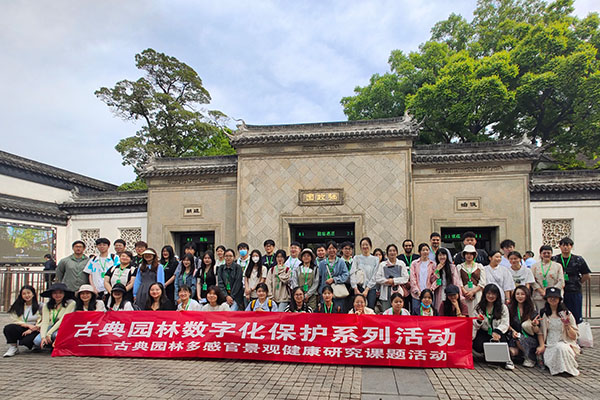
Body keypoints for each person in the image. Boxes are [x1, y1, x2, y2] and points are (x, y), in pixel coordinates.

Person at [537, 287, 580, 376]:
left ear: (559, 299)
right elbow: (540, 332)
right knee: (557, 349)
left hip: (565, 342)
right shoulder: (544, 313)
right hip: (550, 345)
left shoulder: (566, 314)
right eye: (550, 297)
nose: (553, 299)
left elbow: (574, 336)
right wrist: (542, 345)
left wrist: (567, 325)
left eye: (555, 297)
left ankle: (567, 370)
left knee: (561, 348)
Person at [472, 284, 513, 370]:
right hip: (484, 332)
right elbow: (475, 324)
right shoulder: (479, 307)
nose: (491, 296)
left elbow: (505, 323)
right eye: (488, 293)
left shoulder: (503, 307)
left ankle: (507, 360)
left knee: (501, 342)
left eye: (493, 294)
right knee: (478, 344)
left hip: (498, 332)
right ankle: (489, 356)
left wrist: (498, 331)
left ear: (497, 295)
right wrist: (479, 321)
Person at [551, 237, 591, 324]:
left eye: (568, 245)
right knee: (560, 314)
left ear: (571, 246)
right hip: (559, 291)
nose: (565, 247)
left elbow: (586, 275)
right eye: (563, 245)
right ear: (559, 246)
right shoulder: (554, 259)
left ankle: (575, 331)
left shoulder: (578, 259)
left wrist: (578, 282)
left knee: (575, 315)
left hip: (574, 291)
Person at [33, 283, 76, 349]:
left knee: (56, 336)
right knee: (37, 341)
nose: (58, 295)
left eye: (60, 293)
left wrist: (49, 333)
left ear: (64, 293)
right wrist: (43, 337)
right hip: (51, 326)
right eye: (55, 293)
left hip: (63, 327)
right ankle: (49, 343)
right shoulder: (46, 305)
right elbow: (45, 322)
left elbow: (63, 320)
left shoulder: (71, 303)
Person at [508, 285, 541, 368]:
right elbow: (507, 323)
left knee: (519, 340)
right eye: (517, 294)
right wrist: (513, 331)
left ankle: (530, 358)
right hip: (514, 335)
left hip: (528, 337)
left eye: (522, 294)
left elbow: (537, 331)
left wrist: (534, 324)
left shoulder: (532, 310)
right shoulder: (510, 308)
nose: (520, 296)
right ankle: (523, 355)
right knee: (512, 352)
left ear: (527, 295)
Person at [3, 285, 40, 357]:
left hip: (36, 329)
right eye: (24, 294)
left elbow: (43, 320)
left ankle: (35, 345)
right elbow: (15, 320)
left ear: (33, 294)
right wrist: (27, 325)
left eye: (28, 293)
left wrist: (32, 329)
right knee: (8, 328)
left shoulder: (40, 306)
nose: (27, 295)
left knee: (26, 341)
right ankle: (13, 347)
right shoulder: (17, 306)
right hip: (23, 326)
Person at [375, 244, 409, 311]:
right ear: (387, 253)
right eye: (390, 251)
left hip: (398, 291)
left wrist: (394, 281)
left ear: (397, 252)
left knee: (398, 312)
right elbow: (377, 278)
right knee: (386, 312)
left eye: (394, 250)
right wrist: (387, 281)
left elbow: (405, 278)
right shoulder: (382, 264)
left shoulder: (401, 264)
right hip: (386, 292)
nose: (392, 252)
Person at [318, 241, 349, 312]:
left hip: (338, 292)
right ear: (326, 250)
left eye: (333, 248)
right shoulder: (322, 263)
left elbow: (346, 275)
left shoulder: (341, 262)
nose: (331, 250)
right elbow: (319, 278)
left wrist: (334, 279)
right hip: (325, 291)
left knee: (338, 311)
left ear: (337, 250)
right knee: (325, 311)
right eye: (329, 248)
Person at [531, 245, 565, 312]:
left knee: (555, 313)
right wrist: (541, 291)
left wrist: (551, 293)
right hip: (540, 295)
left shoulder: (558, 266)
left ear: (551, 254)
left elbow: (561, 281)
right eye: (544, 253)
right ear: (541, 254)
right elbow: (532, 281)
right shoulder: (534, 266)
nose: (546, 254)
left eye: (548, 253)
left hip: (555, 295)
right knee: (541, 313)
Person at [350, 237, 379, 309]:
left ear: (370, 246)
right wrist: (355, 288)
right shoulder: (356, 258)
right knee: (358, 308)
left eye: (367, 244)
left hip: (371, 288)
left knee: (370, 308)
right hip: (359, 287)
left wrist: (367, 289)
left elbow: (375, 275)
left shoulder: (375, 259)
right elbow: (352, 273)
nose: (365, 246)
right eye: (363, 245)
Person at [458, 244, 487, 317]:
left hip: (477, 293)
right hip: (464, 294)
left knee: (477, 313)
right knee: (466, 312)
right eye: (467, 254)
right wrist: (465, 292)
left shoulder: (479, 266)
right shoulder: (459, 267)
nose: (469, 256)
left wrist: (473, 292)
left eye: (471, 254)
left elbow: (482, 282)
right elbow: (458, 281)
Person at [409, 243, 436, 312]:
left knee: (428, 313)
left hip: (428, 295)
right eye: (423, 250)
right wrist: (417, 291)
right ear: (419, 252)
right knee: (416, 313)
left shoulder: (433, 264)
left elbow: (437, 279)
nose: (425, 252)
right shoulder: (414, 263)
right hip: (416, 295)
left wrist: (431, 289)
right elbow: (412, 278)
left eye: (427, 250)